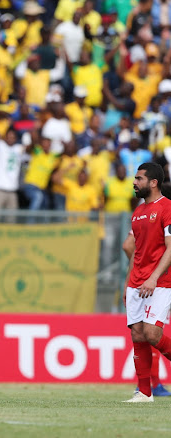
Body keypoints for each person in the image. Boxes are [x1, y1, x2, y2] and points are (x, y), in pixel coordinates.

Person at [121, 162, 171, 402]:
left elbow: (170, 248)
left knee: (152, 333)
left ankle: (145, 391)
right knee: (138, 335)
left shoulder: (167, 208)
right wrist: (126, 283)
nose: (134, 182)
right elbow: (136, 252)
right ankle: (144, 392)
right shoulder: (138, 212)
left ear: (153, 182)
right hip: (136, 283)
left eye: (139, 178)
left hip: (160, 283)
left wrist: (153, 277)